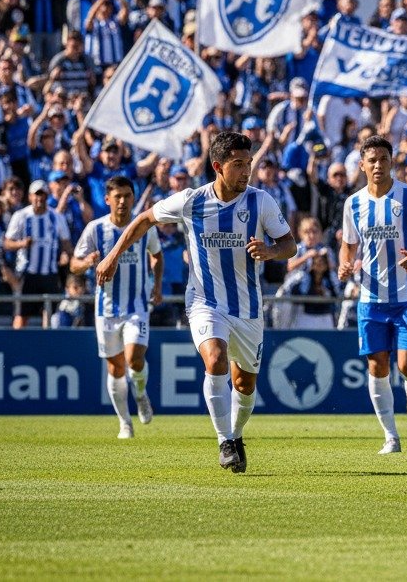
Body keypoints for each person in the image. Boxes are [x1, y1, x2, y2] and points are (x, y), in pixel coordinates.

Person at [95, 131, 296, 473]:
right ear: (218, 166)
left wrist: (271, 251)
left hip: (247, 309)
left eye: (248, 163)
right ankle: (225, 442)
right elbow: (145, 218)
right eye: (238, 164)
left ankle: (236, 433)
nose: (246, 171)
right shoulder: (192, 200)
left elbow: (289, 244)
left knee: (245, 385)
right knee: (215, 358)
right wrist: (113, 255)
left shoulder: (260, 201)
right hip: (205, 302)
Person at [338, 135, 407, 454]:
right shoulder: (353, 203)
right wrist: (345, 264)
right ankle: (391, 436)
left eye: (384, 159)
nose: (378, 165)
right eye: (372, 160)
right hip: (371, 298)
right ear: (362, 165)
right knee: (376, 365)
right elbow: (349, 244)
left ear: (392, 161)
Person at [70, 176, 163, 439]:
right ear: (107, 199)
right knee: (115, 368)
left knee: (134, 359)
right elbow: (73, 265)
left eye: (127, 196)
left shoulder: (144, 228)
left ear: (133, 198)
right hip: (106, 309)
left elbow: (157, 255)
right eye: (117, 196)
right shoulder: (95, 229)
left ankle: (141, 393)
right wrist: (87, 261)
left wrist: (156, 286)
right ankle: (125, 423)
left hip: (137, 306)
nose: (122, 201)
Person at [4, 179, 72, 329]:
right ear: (30, 197)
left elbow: (66, 243)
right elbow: (7, 243)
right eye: (36, 195)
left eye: (42, 195)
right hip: (28, 273)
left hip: (50, 273)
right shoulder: (21, 216)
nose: (39, 198)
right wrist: (22, 244)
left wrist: (66, 255)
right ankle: (17, 346)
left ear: (47, 196)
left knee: (48, 313)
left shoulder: (56, 217)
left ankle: (46, 347)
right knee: (22, 314)